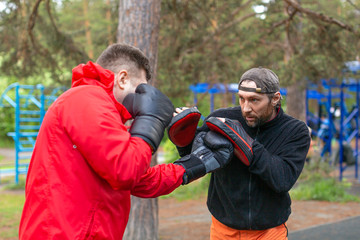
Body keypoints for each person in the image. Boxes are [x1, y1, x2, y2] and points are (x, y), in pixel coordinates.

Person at [19, 43, 234, 239]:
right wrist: (151, 120)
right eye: (140, 89)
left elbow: (141, 180)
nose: (143, 101)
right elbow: (126, 170)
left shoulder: (100, 112)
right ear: (122, 79)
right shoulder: (85, 99)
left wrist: (195, 164)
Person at [172, 67, 311, 240]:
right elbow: (195, 160)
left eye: (254, 100)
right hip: (223, 229)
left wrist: (244, 141)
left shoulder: (295, 131)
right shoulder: (222, 118)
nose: (246, 108)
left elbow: (282, 179)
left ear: (275, 98)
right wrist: (183, 139)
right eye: (242, 99)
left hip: (268, 232)